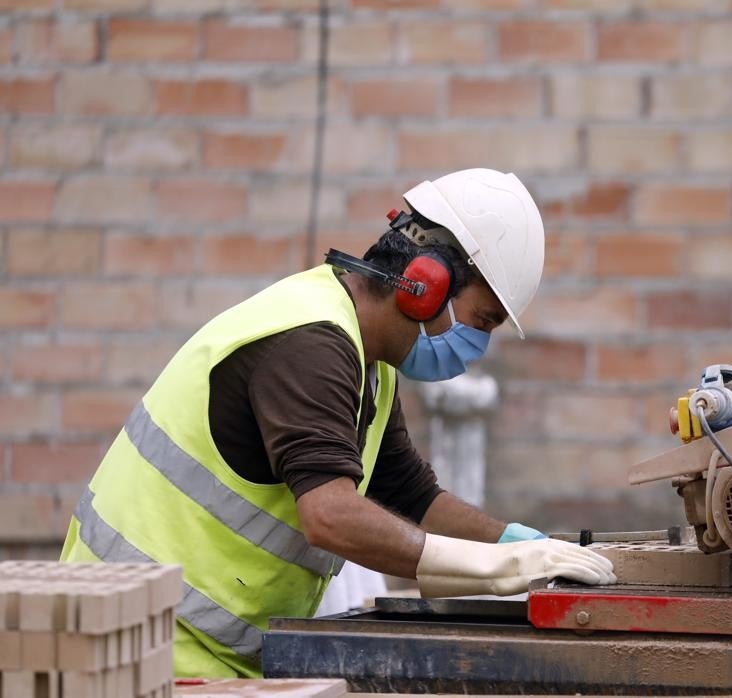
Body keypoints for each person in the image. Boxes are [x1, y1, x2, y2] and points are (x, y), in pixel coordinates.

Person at [60, 168, 616, 678]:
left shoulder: (369, 358)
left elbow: (407, 494)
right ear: (428, 284)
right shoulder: (311, 344)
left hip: (193, 647)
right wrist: (495, 567)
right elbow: (330, 516)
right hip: (133, 644)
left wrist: (528, 545)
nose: (479, 345)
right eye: (483, 320)